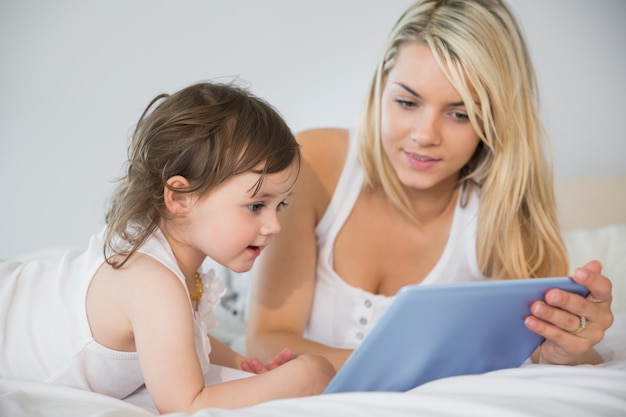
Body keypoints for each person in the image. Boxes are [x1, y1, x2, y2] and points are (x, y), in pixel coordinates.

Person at [245, 0, 615, 372]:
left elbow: (542, 350)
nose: (424, 136)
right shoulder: (314, 164)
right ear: (380, 86)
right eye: (407, 102)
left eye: (459, 114)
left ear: (495, 118)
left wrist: (572, 347)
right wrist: (415, 366)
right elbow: (267, 339)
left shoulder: (503, 209)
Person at [0, 81, 335, 413]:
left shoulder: (176, 264)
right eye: (255, 206)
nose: (274, 226)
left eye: (281, 206)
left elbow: (182, 339)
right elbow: (185, 406)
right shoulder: (151, 282)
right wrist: (305, 375)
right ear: (179, 197)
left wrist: (243, 362)